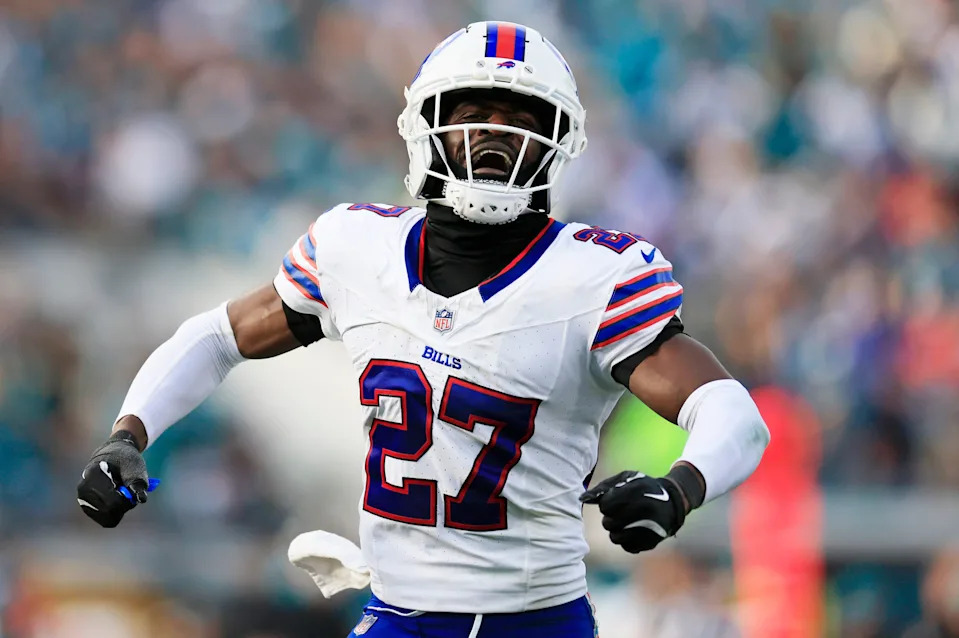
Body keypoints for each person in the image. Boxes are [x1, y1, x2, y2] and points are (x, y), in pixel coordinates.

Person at [76, 21, 770, 638]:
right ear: (424, 126)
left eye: (519, 117)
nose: (496, 131)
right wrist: (127, 434)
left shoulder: (593, 277)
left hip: (530, 622)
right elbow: (218, 336)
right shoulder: (354, 249)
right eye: (474, 112)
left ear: (557, 144)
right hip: (393, 614)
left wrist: (678, 488)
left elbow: (731, 412)